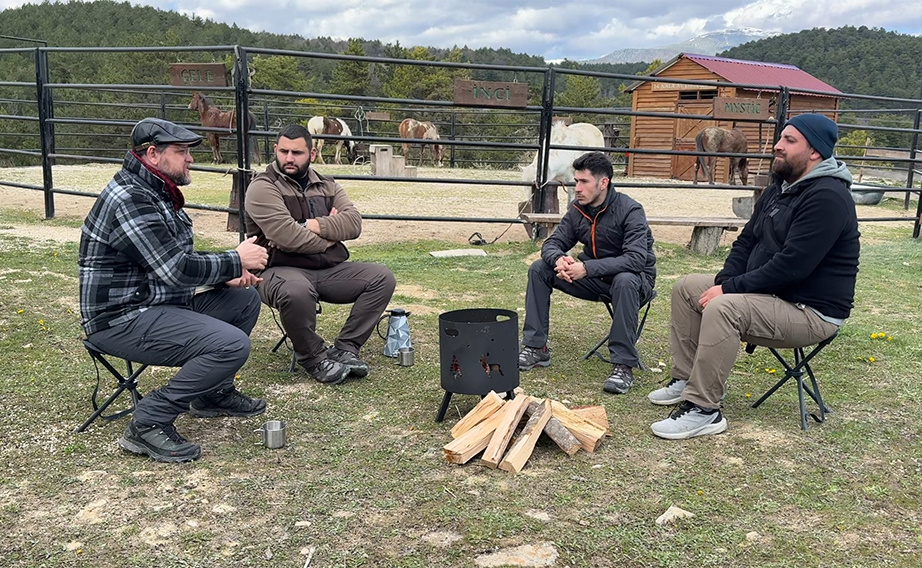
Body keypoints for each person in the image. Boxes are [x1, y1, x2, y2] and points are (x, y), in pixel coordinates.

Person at [649, 114, 860, 440]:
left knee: (725, 307)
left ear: (815, 151)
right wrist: (726, 278)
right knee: (687, 287)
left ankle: (704, 410)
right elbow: (747, 240)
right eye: (781, 138)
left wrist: (730, 290)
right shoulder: (781, 189)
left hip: (810, 311)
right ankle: (686, 380)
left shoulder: (828, 197)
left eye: (790, 141)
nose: (778, 145)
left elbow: (793, 266)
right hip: (774, 296)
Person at [79, 118, 270, 463]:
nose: (190, 158)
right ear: (152, 154)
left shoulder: (153, 191)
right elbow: (176, 268)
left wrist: (225, 276)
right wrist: (235, 258)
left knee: (243, 300)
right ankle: (149, 419)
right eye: (181, 151)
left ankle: (212, 393)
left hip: (153, 304)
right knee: (232, 345)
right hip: (121, 320)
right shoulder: (130, 198)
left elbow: (169, 261)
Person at [245, 124, 396, 385]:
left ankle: (346, 349)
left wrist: (311, 225)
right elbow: (286, 236)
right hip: (277, 270)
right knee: (296, 290)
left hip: (326, 270)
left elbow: (354, 223)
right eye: (283, 151)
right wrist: (330, 237)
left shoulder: (328, 184)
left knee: (381, 277)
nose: (289, 158)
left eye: (297, 153)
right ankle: (313, 357)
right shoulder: (262, 187)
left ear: (312, 154)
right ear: (275, 150)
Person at [518, 151, 656, 394]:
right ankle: (536, 348)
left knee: (625, 280)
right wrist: (559, 259)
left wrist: (587, 268)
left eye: (584, 182)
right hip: (594, 279)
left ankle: (623, 365)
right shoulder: (577, 210)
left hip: (635, 283)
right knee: (540, 269)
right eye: (576, 181)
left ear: (604, 183)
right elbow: (551, 244)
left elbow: (636, 259)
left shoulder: (631, 210)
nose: (577, 188)